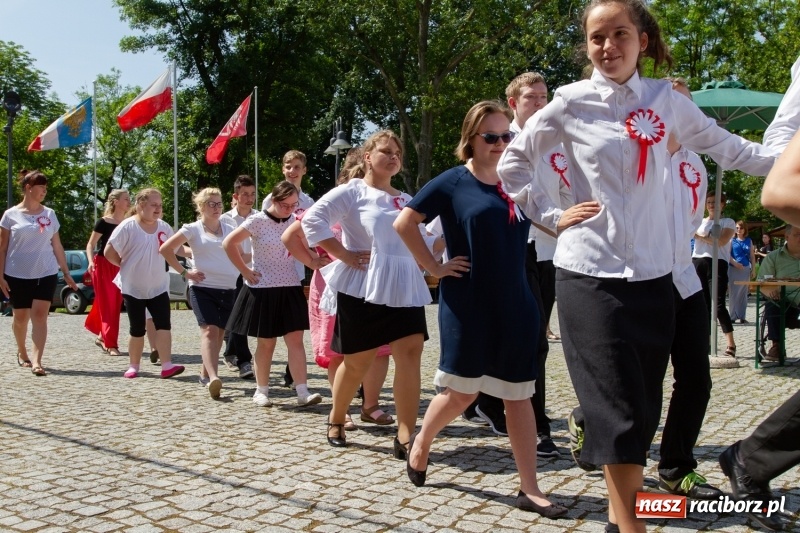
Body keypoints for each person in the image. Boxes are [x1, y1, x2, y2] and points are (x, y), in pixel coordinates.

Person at [497, 0, 776, 530]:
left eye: (619, 33)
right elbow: (513, 166)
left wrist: (790, 160)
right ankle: (633, 526)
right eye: (597, 37)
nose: (608, 46)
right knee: (622, 417)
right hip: (589, 278)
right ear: (587, 45)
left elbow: (732, 149)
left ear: (641, 40)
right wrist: (553, 217)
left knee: (639, 416)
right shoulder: (569, 103)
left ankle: (621, 513)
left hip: (656, 284)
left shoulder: (668, 102)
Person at [394, 101, 567, 518]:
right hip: (467, 302)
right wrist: (434, 267)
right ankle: (421, 442)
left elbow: (548, 218)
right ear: (470, 140)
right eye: (491, 137)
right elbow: (405, 223)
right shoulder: (453, 182)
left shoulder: (518, 180)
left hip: (516, 302)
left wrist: (577, 220)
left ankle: (530, 488)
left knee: (519, 396)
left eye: (507, 136)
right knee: (461, 392)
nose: (501, 143)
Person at [301, 130, 435, 453]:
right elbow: (312, 221)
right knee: (359, 361)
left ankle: (406, 435)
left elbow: (425, 239)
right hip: (363, 286)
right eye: (386, 151)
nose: (393, 157)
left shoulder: (405, 199)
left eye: (397, 154)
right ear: (367, 157)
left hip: (404, 285)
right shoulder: (353, 191)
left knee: (411, 354)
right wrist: (343, 254)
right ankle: (336, 416)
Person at [282, 147, 394, 431]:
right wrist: (312, 261)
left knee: (380, 348)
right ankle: (340, 409)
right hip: (332, 288)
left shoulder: (378, 202)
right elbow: (290, 236)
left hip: (372, 284)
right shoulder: (331, 204)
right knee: (339, 350)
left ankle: (371, 405)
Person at [223, 181, 323, 408]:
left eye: (294, 205)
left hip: (290, 286)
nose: (290, 210)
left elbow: (309, 248)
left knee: (295, 341)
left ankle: (302, 391)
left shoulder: (297, 222)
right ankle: (262, 390)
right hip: (263, 289)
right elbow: (229, 243)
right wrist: (245, 271)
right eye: (285, 205)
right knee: (266, 343)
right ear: (275, 201)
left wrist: (316, 260)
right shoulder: (257, 220)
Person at [160, 188, 241, 399]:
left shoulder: (230, 226)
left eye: (219, 203)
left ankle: (205, 373)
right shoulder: (193, 229)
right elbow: (166, 249)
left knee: (220, 333)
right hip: (202, 287)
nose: (216, 208)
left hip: (229, 287)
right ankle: (214, 377)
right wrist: (185, 273)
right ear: (201, 207)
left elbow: (239, 253)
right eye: (211, 204)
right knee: (209, 330)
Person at [0, 169, 78, 376]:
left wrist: (66, 272)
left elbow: (57, 246)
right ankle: (22, 352)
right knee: (20, 317)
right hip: (16, 273)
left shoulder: (49, 214)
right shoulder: (10, 215)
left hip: (46, 272)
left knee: (41, 315)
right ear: (28, 188)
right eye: (41, 187)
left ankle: (37, 361)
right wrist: (0, 276)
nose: (44, 191)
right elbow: (2, 248)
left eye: (45, 188)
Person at [104, 188, 185, 380]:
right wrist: (123, 264)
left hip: (158, 286)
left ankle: (167, 365)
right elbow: (109, 252)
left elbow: (178, 249)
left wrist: (200, 252)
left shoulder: (164, 227)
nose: (158, 209)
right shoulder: (128, 226)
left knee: (164, 325)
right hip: (133, 287)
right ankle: (134, 366)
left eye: (160, 205)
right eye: (153, 205)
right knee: (137, 327)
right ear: (141, 206)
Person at [262, 150, 316, 387]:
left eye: (296, 167)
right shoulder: (269, 200)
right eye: (288, 167)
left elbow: (312, 236)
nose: (292, 171)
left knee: (295, 328)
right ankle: (264, 380)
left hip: (296, 270)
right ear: (283, 169)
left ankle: (293, 374)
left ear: (304, 170)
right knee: (270, 333)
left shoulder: (310, 203)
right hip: (272, 274)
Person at [84, 189, 130, 356]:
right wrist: (90, 262)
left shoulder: (129, 222)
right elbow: (90, 244)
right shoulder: (103, 222)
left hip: (121, 264)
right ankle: (110, 344)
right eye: (126, 199)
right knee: (108, 302)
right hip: (103, 265)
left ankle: (102, 334)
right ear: (116, 202)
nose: (129, 201)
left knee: (113, 303)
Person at [220, 175, 258, 380]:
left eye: (252, 194)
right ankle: (244, 359)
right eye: (244, 194)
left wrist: (250, 257)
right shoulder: (225, 219)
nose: (249, 198)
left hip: (253, 272)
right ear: (235, 196)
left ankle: (230, 352)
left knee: (242, 316)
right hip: (232, 273)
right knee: (238, 315)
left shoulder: (260, 217)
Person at [693, 192, 738, 356]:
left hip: (717, 262)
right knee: (702, 305)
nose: (712, 205)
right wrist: (705, 237)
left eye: (715, 202)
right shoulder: (700, 221)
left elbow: (720, 242)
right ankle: (706, 342)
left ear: (723, 204)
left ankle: (730, 344)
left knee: (717, 304)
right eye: (709, 202)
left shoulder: (728, 222)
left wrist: (699, 236)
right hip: (698, 261)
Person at [756, 224, 800, 362]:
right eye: (797, 234)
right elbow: (762, 283)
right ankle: (777, 345)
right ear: (786, 237)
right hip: (785, 305)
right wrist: (772, 292)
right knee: (773, 303)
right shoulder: (773, 257)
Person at [728, 220, 755, 324]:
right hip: (733, 268)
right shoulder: (732, 240)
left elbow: (752, 256)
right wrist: (735, 263)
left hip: (745, 268)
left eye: (741, 228)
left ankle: (742, 316)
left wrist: (753, 269)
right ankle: (733, 316)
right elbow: (727, 255)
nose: (739, 230)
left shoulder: (749, 240)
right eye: (737, 228)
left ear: (745, 229)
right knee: (733, 292)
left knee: (743, 293)